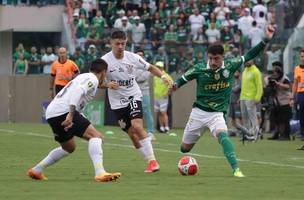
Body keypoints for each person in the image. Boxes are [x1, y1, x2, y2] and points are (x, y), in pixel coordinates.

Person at [171, 25, 275, 177]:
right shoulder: (200, 68)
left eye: (216, 59)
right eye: (211, 58)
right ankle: (194, 139)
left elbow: (250, 54)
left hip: (217, 114)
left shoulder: (231, 65)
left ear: (223, 57)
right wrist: (175, 86)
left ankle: (236, 170)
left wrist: (265, 39)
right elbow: (182, 79)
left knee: (223, 135)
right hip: (198, 113)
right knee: (184, 149)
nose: (213, 62)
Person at [27, 59, 121, 182]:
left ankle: (36, 170)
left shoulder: (85, 77)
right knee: (96, 137)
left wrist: (108, 85)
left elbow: (93, 85)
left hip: (52, 113)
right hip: (65, 112)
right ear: (103, 72)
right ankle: (100, 173)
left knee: (68, 147)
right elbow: (78, 92)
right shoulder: (92, 79)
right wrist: (71, 115)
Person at [101, 30, 172, 173]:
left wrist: (163, 76)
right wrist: (107, 85)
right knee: (132, 134)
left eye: (123, 43)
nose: (120, 46)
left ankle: (153, 161)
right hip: (117, 103)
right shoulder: (104, 61)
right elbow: (96, 81)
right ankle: (148, 161)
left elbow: (151, 67)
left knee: (137, 126)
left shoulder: (132, 57)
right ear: (111, 44)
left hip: (133, 95)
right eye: (117, 44)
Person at [266, 62, 292, 140]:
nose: (274, 73)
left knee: (284, 119)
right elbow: (268, 86)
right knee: (276, 119)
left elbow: (288, 86)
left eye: (276, 71)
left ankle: (286, 135)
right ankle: (277, 134)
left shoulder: (284, 78)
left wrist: (279, 84)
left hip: (285, 101)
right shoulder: (273, 78)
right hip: (276, 101)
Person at [240, 60, 263, 140]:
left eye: (248, 60)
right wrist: (240, 97)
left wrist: (258, 97)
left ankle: (255, 135)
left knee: (253, 118)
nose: (246, 62)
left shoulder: (256, 71)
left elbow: (259, 85)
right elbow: (243, 85)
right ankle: (248, 135)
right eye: (245, 61)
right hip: (243, 97)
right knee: (245, 117)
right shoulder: (244, 71)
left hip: (251, 98)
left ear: (252, 61)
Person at [135, 50, 156, 139]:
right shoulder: (132, 65)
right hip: (134, 91)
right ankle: (139, 131)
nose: (140, 56)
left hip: (144, 91)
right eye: (138, 55)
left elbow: (142, 78)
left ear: (143, 56)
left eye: (141, 55)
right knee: (135, 112)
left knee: (147, 111)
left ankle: (151, 132)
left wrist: (135, 77)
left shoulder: (147, 65)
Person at [154, 61, 173, 133]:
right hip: (156, 97)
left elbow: (171, 85)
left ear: (161, 68)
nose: (157, 68)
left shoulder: (166, 76)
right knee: (159, 112)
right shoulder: (155, 76)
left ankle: (166, 127)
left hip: (163, 97)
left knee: (163, 112)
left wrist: (167, 93)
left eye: (158, 67)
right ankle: (161, 127)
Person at [292, 49, 304, 149]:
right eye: (302, 56)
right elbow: (295, 83)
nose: (303, 58)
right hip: (300, 94)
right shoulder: (296, 69)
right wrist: (292, 97)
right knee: (302, 118)